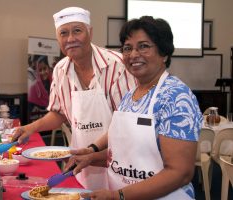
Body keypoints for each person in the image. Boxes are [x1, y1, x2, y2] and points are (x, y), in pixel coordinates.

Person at [66, 16, 203, 199]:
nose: (133, 54)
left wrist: (119, 196)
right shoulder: (131, 94)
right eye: (128, 48)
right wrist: (91, 157)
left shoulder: (176, 97)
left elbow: (180, 172)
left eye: (144, 46)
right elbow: (124, 153)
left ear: (164, 53)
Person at [12, 7, 135, 190]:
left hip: (123, 164)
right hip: (82, 162)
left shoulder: (118, 66)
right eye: (64, 33)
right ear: (58, 39)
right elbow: (59, 113)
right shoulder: (60, 70)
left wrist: (94, 153)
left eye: (77, 30)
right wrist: (30, 128)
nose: (70, 39)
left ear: (90, 32)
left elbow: (128, 125)